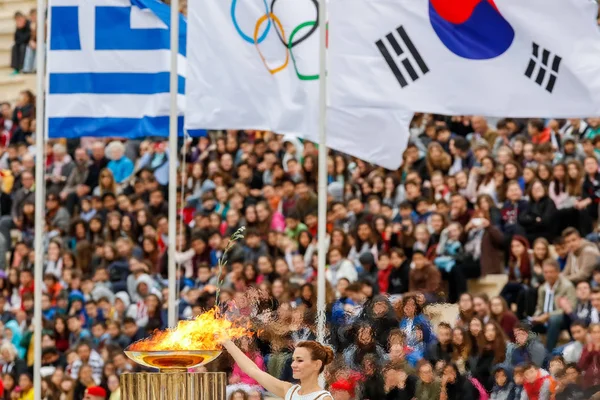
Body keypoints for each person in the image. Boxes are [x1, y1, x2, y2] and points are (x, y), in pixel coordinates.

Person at [221, 338, 333, 400]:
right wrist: (226, 342)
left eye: (300, 360)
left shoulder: (323, 398)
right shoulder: (290, 390)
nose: (293, 364)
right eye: (293, 360)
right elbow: (252, 370)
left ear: (317, 365)